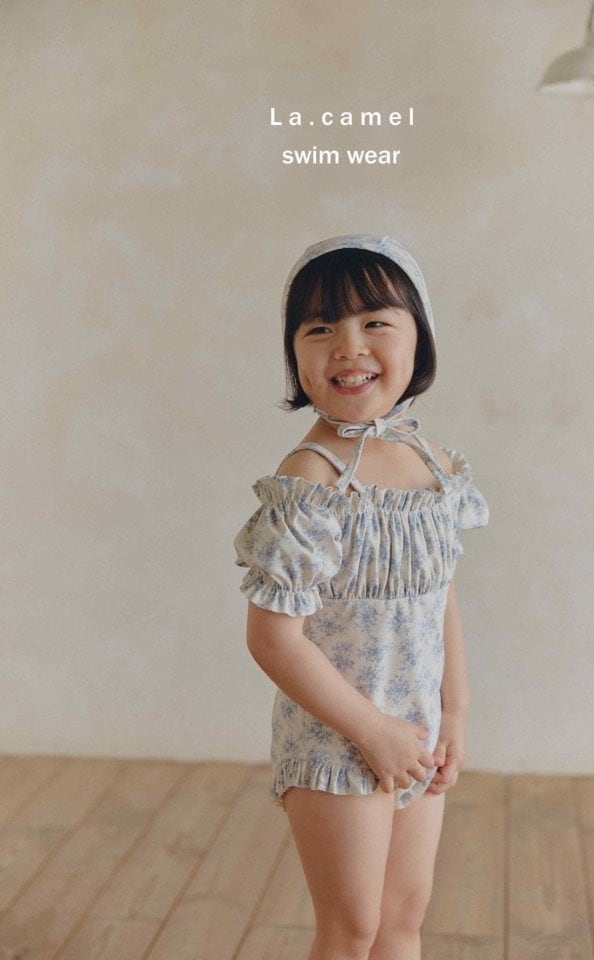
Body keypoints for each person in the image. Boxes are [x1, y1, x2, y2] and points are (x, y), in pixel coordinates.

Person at [233, 234, 489, 960]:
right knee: (351, 929)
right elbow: (273, 637)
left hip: (416, 731)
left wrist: (453, 712)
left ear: (419, 338)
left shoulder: (430, 466)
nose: (349, 346)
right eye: (319, 328)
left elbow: (439, 598)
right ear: (295, 354)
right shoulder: (310, 481)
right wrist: (372, 731)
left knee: (402, 922)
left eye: (375, 321)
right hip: (336, 736)